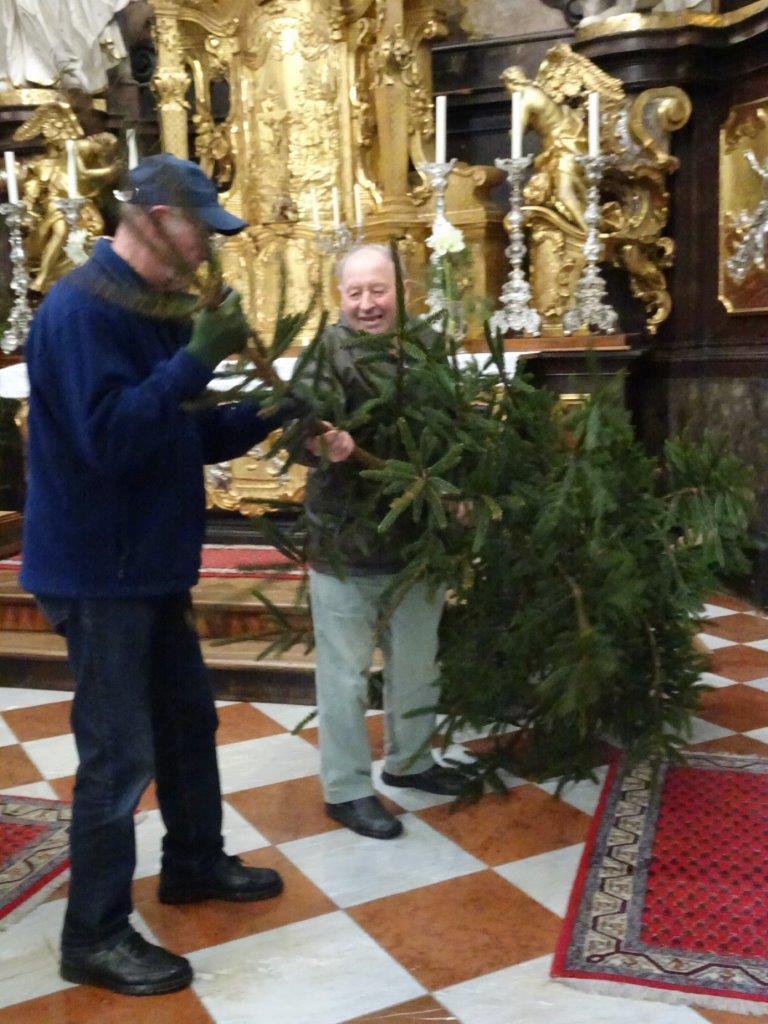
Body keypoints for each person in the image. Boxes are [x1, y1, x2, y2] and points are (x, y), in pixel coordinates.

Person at [19, 153, 349, 997]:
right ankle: (92, 934)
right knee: (118, 754)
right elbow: (109, 440)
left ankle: (194, 861)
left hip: (148, 564)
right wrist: (198, 355)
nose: (210, 247)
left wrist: (271, 409)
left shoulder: (153, 308)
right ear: (160, 221)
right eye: (204, 230)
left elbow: (184, 431)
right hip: (99, 570)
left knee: (187, 721)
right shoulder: (79, 310)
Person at [299, 243, 465, 842]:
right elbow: (300, 421)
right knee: (345, 677)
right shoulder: (325, 351)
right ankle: (346, 789)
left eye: (378, 290)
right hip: (346, 544)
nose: (367, 303)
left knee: (418, 662)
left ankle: (411, 761)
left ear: (403, 291)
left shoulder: (429, 345)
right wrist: (322, 439)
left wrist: (459, 490)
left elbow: (455, 427)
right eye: (355, 293)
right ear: (340, 296)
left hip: (417, 541)